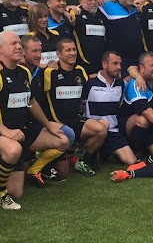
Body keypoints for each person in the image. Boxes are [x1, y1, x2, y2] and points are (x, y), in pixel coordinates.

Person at [0, 31, 69, 202]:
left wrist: (48, 125)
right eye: (13, 44)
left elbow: (31, 102)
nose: (19, 47)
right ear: (0, 49)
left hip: (22, 132)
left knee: (62, 140)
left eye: (19, 43)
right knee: (14, 173)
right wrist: (6, 132)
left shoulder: (24, 72)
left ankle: (32, 170)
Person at [39, 38, 109, 177]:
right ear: (58, 54)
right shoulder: (49, 72)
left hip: (75, 121)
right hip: (57, 124)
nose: (72, 53)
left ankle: (83, 160)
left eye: (74, 49)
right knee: (62, 172)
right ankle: (51, 156)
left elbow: (84, 95)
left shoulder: (80, 71)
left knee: (102, 128)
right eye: (68, 50)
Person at [83, 51, 140, 167]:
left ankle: (104, 153)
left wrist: (138, 76)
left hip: (113, 132)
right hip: (94, 132)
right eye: (115, 63)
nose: (119, 67)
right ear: (104, 64)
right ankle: (87, 155)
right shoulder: (89, 83)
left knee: (131, 161)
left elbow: (134, 70)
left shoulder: (121, 84)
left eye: (120, 64)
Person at [72, 0, 107, 74]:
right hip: (84, 64)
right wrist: (69, 8)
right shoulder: (76, 15)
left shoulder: (101, 14)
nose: (93, 2)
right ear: (81, 1)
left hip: (101, 64)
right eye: (90, 0)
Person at [27, 2, 59, 67]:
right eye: (40, 17)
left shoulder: (56, 34)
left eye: (45, 16)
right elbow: (28, 59)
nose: (44, 20)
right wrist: (45, 66)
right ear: (34, 19)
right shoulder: (30, 37)